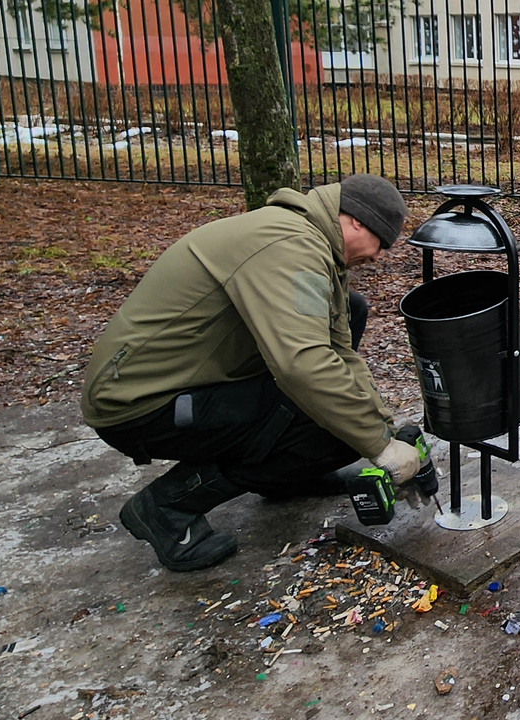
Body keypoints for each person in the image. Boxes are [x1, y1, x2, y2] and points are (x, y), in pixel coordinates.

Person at [80, 174, 421, 572]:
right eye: (381, 242)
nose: (379, 256)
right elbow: (303, 363)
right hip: (140, 402)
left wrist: (384, 428)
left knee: (352, 316)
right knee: (328, 426)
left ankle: (285, 478)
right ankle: (167, 506)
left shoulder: (308, 239)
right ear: (356, 222)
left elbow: (338, 353)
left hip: (184, 378)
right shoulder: (291, 246)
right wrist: (377, 444)